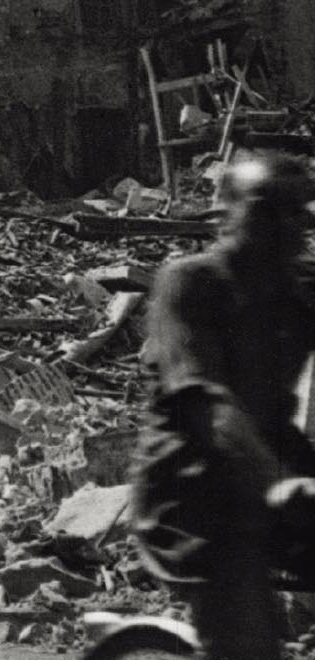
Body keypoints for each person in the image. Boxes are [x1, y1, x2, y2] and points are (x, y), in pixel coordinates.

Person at [132, 151, 315, 660]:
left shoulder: (296, 297)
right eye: (269, 209)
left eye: (299, 210)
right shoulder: (188, 284)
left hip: (281, 476)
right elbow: (209, 407)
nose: (290, 224)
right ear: (230, 213)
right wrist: (282, 480)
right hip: (194, 492)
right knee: (247, 642)